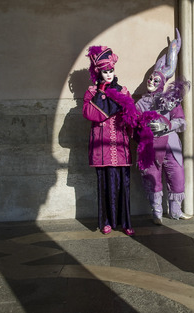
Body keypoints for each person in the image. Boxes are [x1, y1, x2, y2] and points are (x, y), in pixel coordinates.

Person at [135, 29, 192, 225]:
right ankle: (157, 213)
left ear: (162, 83)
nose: (151, 82)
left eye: (155, 80)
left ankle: (176, 212)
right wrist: (145, 127)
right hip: (150, 147)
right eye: (150, 79)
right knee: (153, 179)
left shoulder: (171, 100)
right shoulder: (141, 104)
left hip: (171, 146)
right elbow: (134, 125)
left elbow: (182, 122)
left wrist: (168, 124)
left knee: (177, 176)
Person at [82, 46, 138, 236]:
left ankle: (125, 222)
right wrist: (102, 94)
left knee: (124, 185)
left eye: (111, 71)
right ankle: (106, 221)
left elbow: (132, 115)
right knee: (105, 184)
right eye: (105, 72)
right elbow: (90, 114)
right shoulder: (91, 92)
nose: (108, 75)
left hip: (120, 145)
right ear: (99, 72)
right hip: (102, 147)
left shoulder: (123, 90)